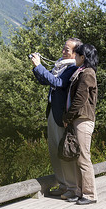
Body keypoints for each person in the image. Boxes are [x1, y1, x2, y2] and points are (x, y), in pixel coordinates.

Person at [30, 38, 82, 200]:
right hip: (52, 111)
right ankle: (62, 185)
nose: (63, 51)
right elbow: (44, 80)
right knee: (54, 149)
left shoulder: (72, 68)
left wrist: (39, 66)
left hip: (62, 115)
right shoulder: (59, 65)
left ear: (75, 54)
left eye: (67, 49)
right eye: (64, 48)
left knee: (64, 150)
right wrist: (36, 67)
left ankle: (72, 187)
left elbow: (58, 83)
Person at [63, 44, 99, 205]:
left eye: (76, 55)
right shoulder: (81, 72)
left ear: (82, 57)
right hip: (78, 119)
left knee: (84, 157)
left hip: (83, 119)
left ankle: (90, 195)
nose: (74, 58)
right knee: (78, 157)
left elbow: (80, 98)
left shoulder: (88, 73)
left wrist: (67, 117)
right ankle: (79, 191)